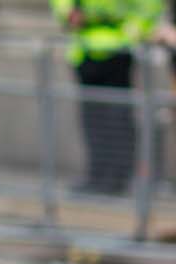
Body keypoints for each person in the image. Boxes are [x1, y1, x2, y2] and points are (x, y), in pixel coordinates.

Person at [51, 0, 162, 194]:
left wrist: (133, 30)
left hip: (118, 48)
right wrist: (67, 13)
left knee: (117, 116)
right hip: (84, 48)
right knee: (93, 117)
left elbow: (150, 7)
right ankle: (96, 174)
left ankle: (118, 176)